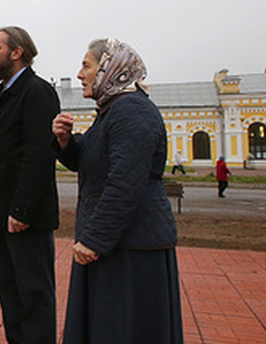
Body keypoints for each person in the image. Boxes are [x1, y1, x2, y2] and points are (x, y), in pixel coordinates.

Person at [52, 38, 183, 344]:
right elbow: (92, 162)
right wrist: (66, 143)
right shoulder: (112, 111)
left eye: (86, 65)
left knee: (125, 330)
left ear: (110, 68)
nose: (80, 74)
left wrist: (94, 239)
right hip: (117, 245)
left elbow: (126, 182)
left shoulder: (132, 111)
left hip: (132, 250)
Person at [0, 26, 60, 343]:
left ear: (16, 52)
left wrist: (22, 210)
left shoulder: (37, 93)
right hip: (2, 214)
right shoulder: (5, 93)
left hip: (24, 219)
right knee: (10, 294)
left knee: (33, 295)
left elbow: (38, 157)